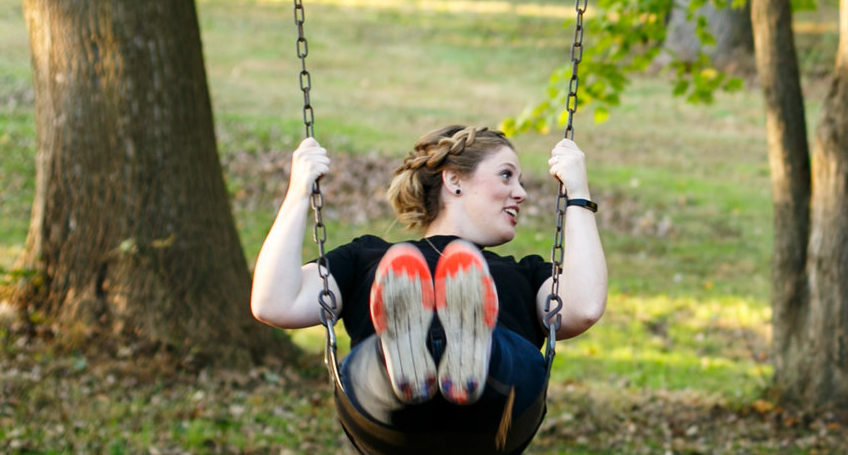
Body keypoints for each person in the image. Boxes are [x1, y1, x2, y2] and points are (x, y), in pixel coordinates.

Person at [249, 125, 606, 436]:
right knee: (374, 360)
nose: (521, 193)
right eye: (506, 175)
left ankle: (471, 349)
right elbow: (274, 303)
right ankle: (412, 353)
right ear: (454, 180)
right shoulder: (366, 259)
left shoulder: (526, 273)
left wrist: (578, 192)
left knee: (507, 355)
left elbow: (583, 308)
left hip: (496, 409)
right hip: (393, 419)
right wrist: (299, 190)